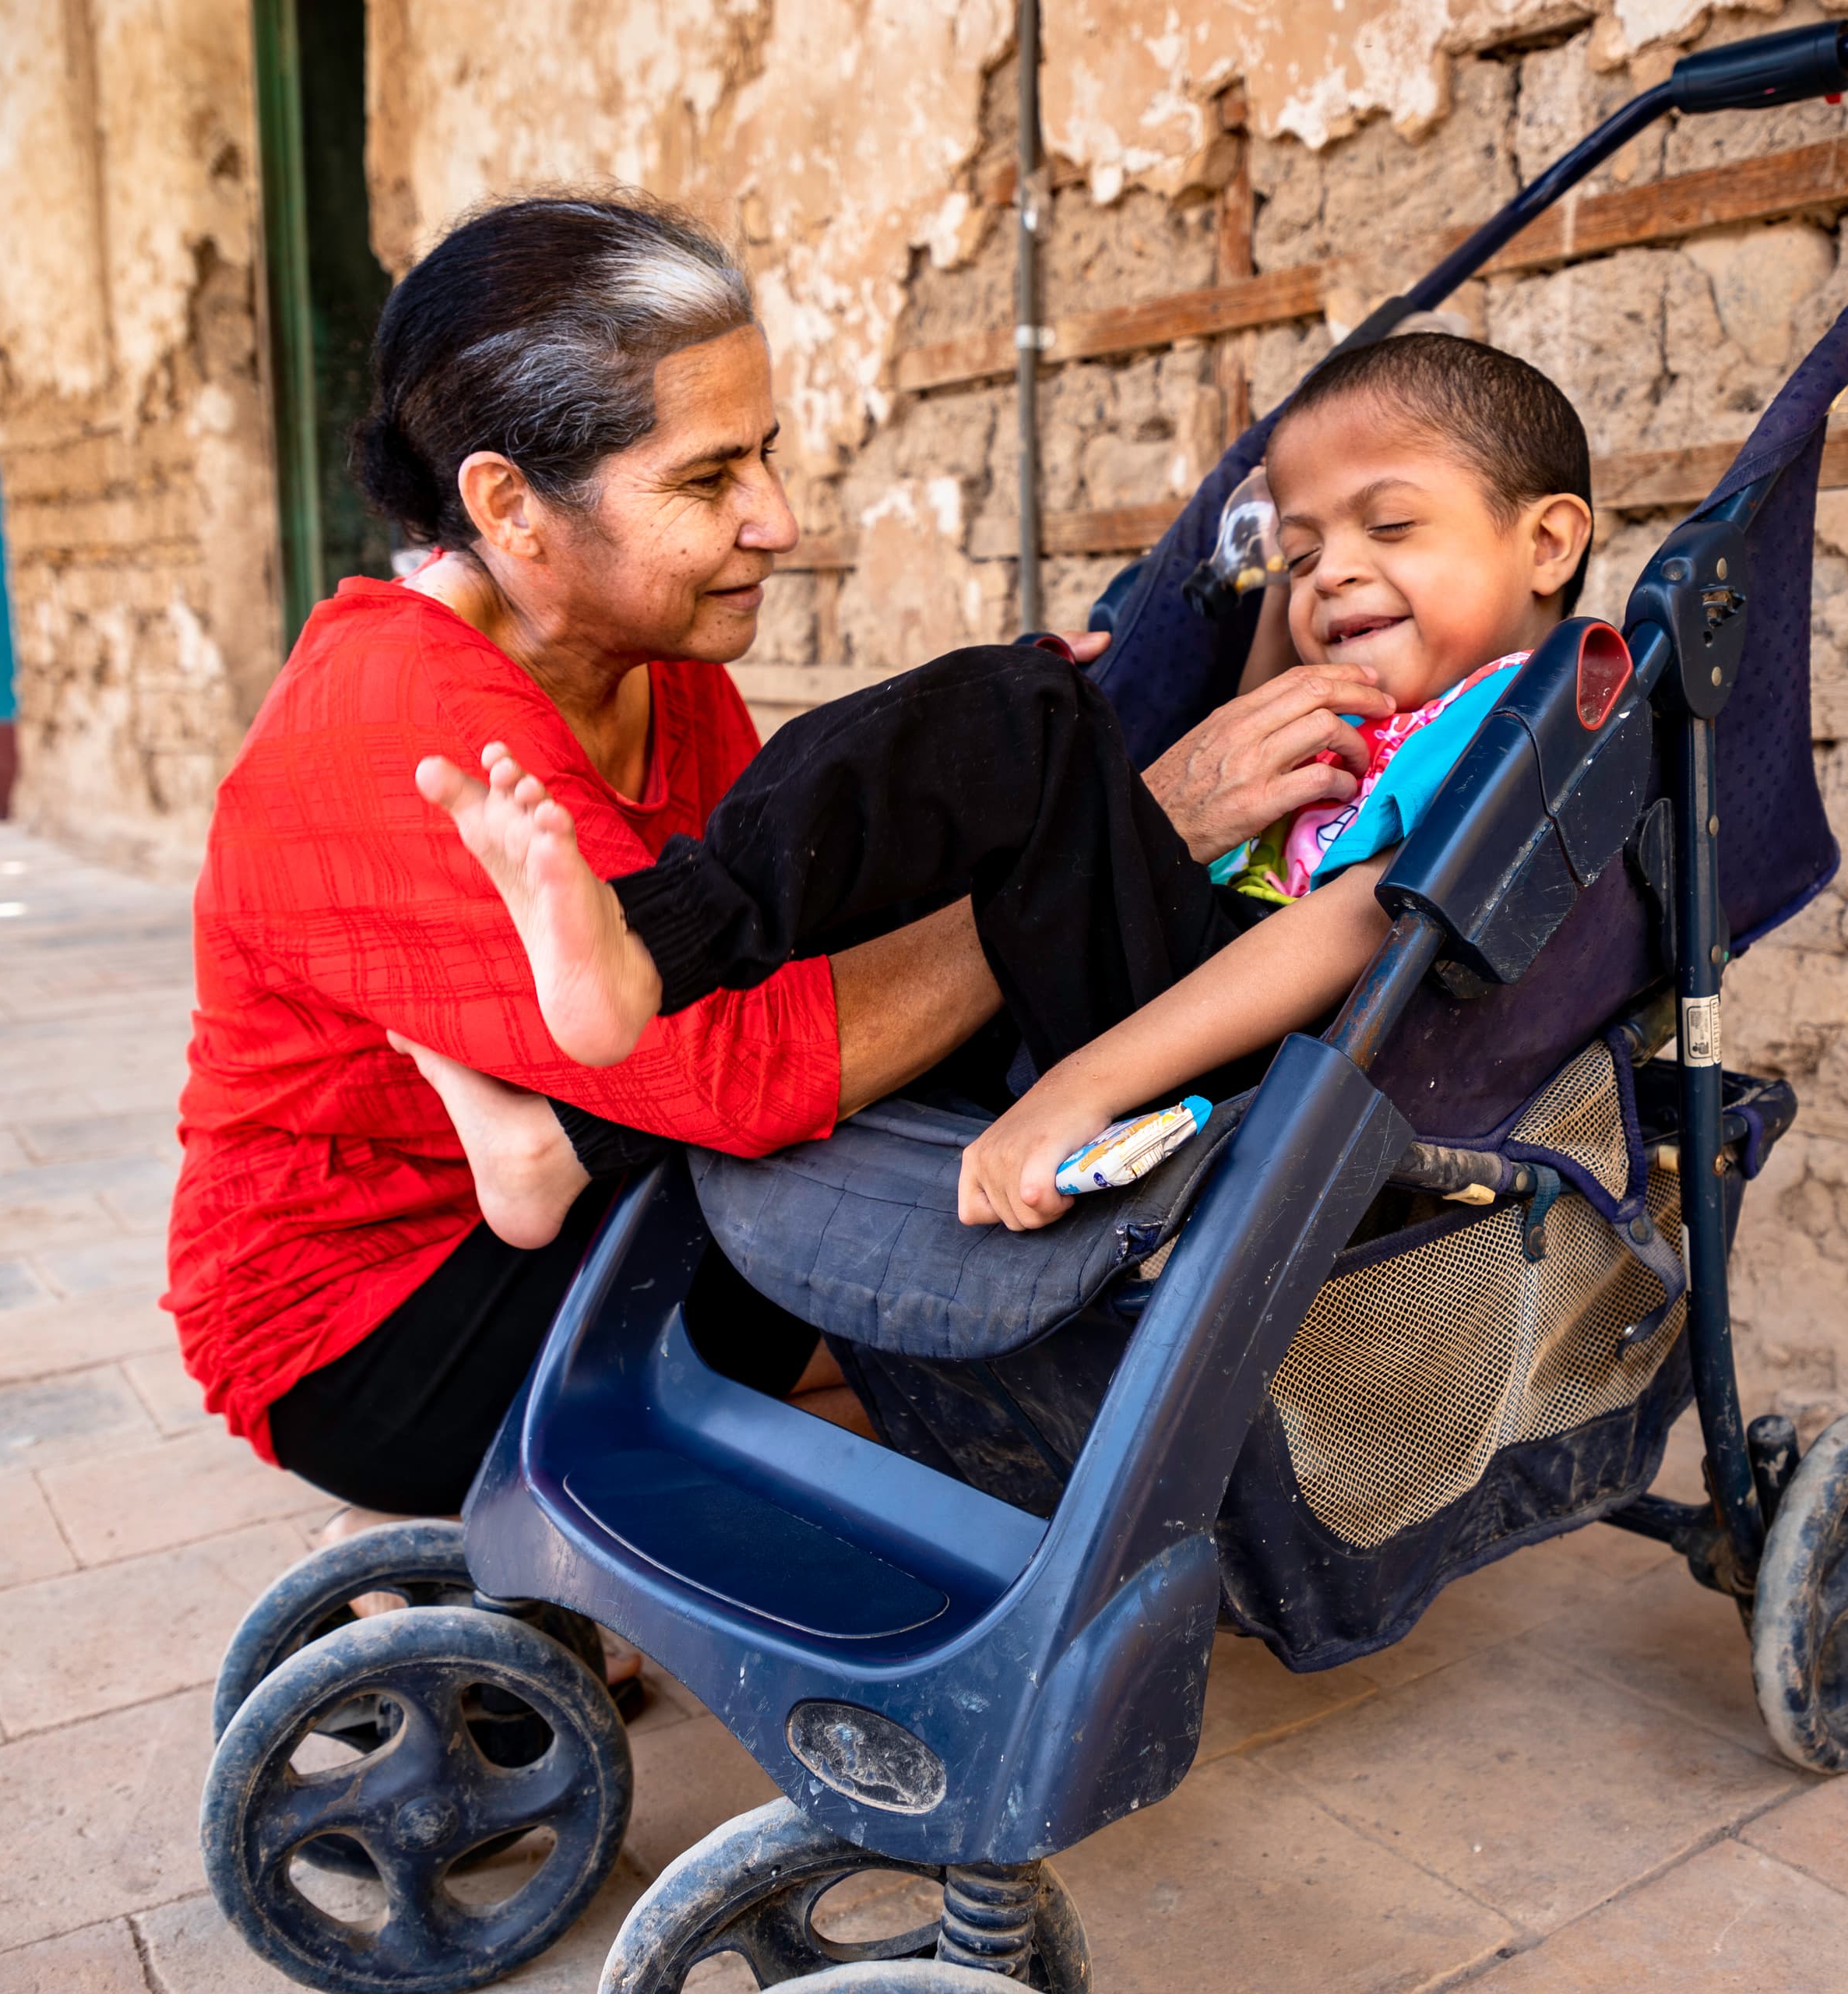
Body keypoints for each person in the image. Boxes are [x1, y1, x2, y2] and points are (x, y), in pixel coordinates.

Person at [166, 192, 1396, 1554]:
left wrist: (1043, 819)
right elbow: (747, 1077)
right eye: (706, 482)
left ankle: (573, 1504)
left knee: (972, 1298)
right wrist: (1119, 832)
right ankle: (521, 1508)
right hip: (387, 1326)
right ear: (510, 505)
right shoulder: (405, 736)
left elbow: (796, 959)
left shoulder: (655, 663)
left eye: (763, 454)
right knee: (961, 1307)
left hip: (584, 1194)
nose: (778, 519)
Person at [419, 330, 1593, 1238]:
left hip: (1273, 1071)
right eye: (1300, 552)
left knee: (1022, 720)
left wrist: (1077, 1089)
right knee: (966, 783)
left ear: (1547, 544)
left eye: (1389, 526)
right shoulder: (1355, 681)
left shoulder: (1522, 716)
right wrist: (1251, 610)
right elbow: (1242, 709)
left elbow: (1349, 928)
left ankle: (641, 955)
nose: (1333, 570)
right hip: (1193, 996)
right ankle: (579, 1111)